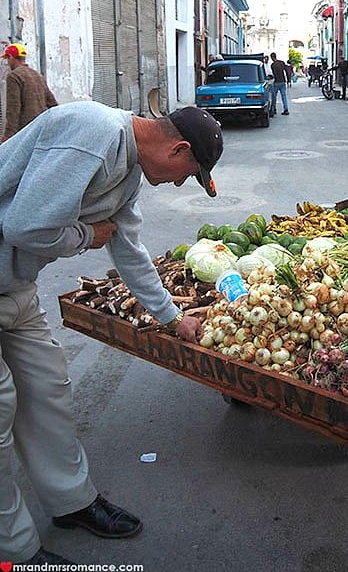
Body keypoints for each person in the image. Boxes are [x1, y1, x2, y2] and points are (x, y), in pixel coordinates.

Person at [0, 102, 223, 564]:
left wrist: (171, 317)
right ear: (178, 148)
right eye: (188, 172)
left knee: (47, 388)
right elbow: (23, 226)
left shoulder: (128, 170)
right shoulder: (92, 133)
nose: (180, 182)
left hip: (13, 287)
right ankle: (15, 550)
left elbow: (129, 249)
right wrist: (85, 236)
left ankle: (71, 503)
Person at [1, 42, 58, 142]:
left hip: (26, 131)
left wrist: (8, 136)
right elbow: (52, 103)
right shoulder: (37, 75)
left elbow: (13, 108)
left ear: (11, 57)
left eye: (7, 59)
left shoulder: (14, 76)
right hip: (41, 128)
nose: (7, 63)